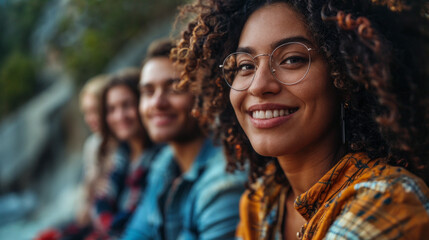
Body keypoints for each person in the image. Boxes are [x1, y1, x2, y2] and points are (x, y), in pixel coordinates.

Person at [173, 0, 429, 239]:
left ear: (346, 75)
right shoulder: (261, 201)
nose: (259, 85)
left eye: (292, 59)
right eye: (245, 65)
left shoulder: (389, 201)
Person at [121, 39, 247, 240]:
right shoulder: (164, 163)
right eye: (148, 92)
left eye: (174, 88)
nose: (157, 103)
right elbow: (135, 234)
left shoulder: (225, 181)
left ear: (204, 95)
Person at [86, 68, 160, 239]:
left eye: (127, 105)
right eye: (111, 109)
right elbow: (98, 205)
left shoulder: (159, 160)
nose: (120, 116)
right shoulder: (118, 159)